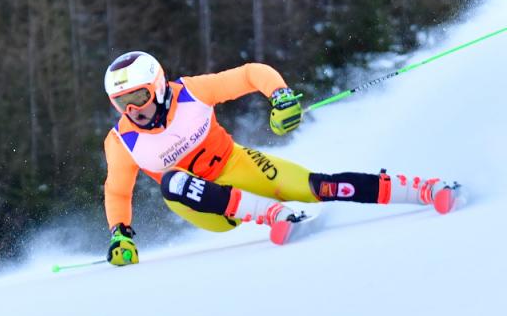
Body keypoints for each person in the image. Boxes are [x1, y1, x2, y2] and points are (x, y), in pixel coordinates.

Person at [101, 50, 457, 264]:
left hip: (236, 165)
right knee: (173, 182)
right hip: (205, 208)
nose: (132, 109)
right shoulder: (122, 141)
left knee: (319, 186)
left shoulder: (192, 92)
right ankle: (273, 215)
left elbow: (251, 73)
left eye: (139, 97)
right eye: (121, 103)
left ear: (159, 86)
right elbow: (118, 191)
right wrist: (121, 235)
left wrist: (281, 96)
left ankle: (425, 190)